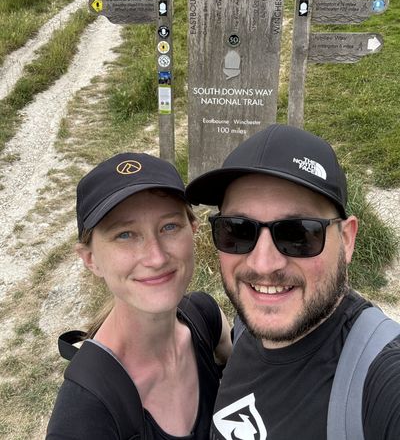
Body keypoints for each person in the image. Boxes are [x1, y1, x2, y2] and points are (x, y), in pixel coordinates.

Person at [185, 123, 400, 440]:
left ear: (347, 240)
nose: (263, 264)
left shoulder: (381, 377)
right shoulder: (247, 327)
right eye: (238, 230)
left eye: (298, 234)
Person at [46, 152, 231, 439]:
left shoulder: (205, 318)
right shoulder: (85, 417)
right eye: (125, 235)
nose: (156, 257)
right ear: (90, 259)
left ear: (193, 230)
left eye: (169, 226)